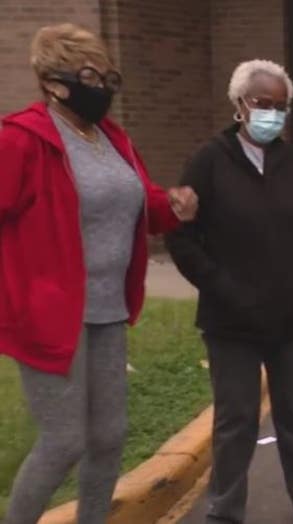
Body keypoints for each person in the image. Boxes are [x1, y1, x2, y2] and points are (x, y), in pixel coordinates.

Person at [0, 23, 198, 524]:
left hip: (108, 308)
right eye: (90, 75)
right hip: (49, 314)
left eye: (109, 76)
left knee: (108, 437)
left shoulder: (112, 137)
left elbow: (139, 201)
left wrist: (171, 205)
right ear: (54, 83)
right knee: (64, 440)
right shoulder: (22, 139)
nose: (103, 88)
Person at [165, 59, 293, 524]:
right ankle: (224, 512)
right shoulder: (209, 160)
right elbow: (179, 234)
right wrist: (220, 285)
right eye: (265, 104)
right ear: (240, 104)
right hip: (232, 323)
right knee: (235, 422)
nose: (273, 115)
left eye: (282, 107)